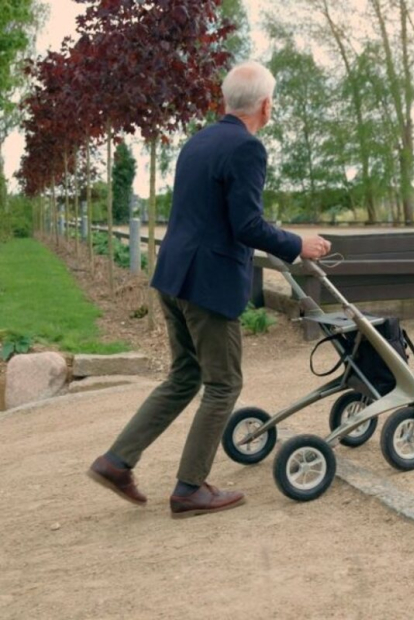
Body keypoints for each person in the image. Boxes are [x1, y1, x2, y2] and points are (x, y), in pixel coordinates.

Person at [87, 61, 331, 519]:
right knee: (223, 384)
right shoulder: (247, 148)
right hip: (207, 285)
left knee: (184, 376)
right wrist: (300, 244)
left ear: (226, 100)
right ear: (265, 104)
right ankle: (190, 488)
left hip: (173, 277)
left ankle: (116, 462)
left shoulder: (197, 142)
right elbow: (247, 225)